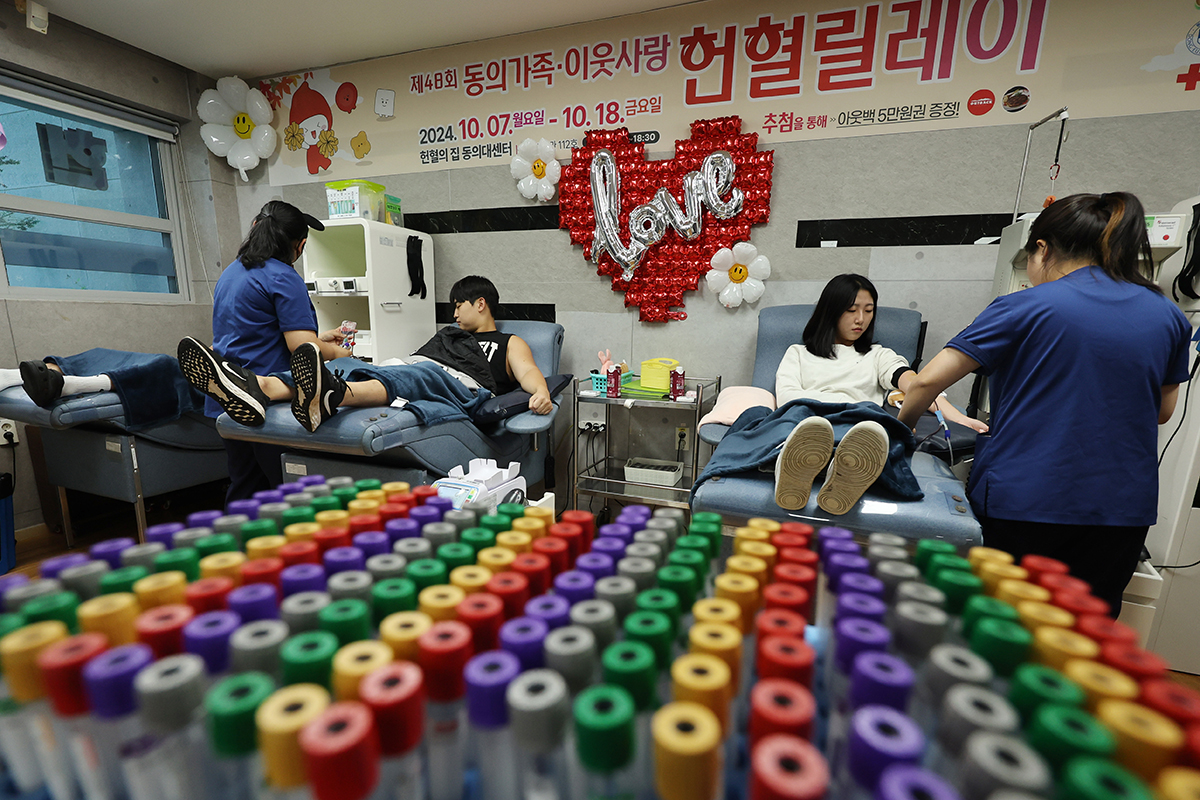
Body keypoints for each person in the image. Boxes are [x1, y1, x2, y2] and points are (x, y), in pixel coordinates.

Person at [898, 192, 1192, 614]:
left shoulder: (1023, 306)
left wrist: (897, 434)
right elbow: (1162, 412)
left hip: (1027, 502)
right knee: (1079, 637)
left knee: (1003, 627)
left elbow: (925, 382)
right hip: (1120, 511)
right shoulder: (1168, 315)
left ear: (1041, 248)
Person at [694, 273, 986, 515]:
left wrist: (958, 418)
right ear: (831, 311)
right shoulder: (797, 354)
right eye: (851, 310)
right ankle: (810, 461)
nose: (861, 319)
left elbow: (917, 384)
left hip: (858, 424)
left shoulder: (879, 355)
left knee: (873, 427)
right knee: (771, 417)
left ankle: (825, 466)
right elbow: (789, 399)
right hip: (805, 418)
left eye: (869, 310)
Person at [179, 274, 552, 436]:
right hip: (420, 367)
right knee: (346, 364)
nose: (454, 314)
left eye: (459, 306)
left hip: (464, 386)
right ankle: (260, 388)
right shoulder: (448, 335)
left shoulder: (508, 342)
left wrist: (541, 392)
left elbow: (529, 373)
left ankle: (332, 395)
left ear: (481, 303)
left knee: (414, 376)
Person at [178, 200, 351, 503]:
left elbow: (254, 331)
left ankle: (240, 546)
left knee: (245, 484)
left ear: (256, 229)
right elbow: (302, 347)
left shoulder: (232, 273)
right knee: (287, 489)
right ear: (301, 245)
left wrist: (321, 337)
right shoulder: (283, 276)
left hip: (228, 399)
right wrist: (339, 354)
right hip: (266, 400)